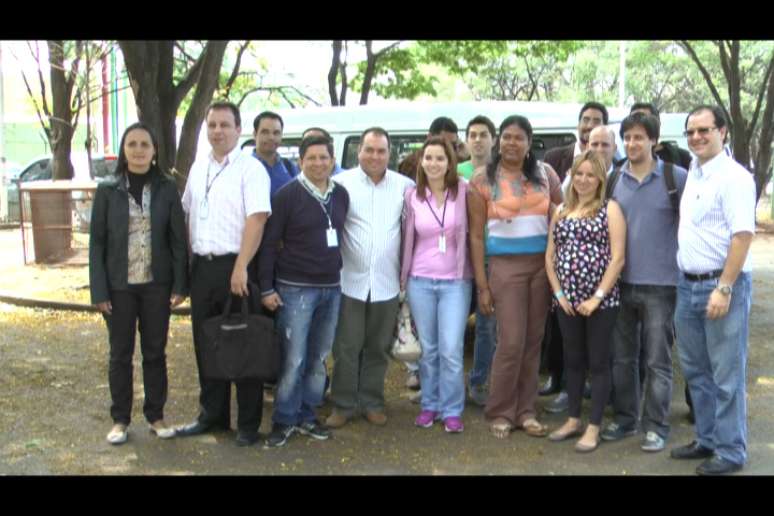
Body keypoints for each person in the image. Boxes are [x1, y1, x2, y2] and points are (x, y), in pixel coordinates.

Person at [176, 102, 271, 447]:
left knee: (243, 343)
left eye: (225, 125)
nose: (217, 131)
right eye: (212, 124)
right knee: (207, 345)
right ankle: (212, 415)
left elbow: (257, 218)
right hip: (203, 268)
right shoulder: (199, 167)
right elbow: (186, 214)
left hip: (237, 267)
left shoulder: (251, 169)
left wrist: (241, 266)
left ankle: (247, 424)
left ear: (238, 129)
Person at [89, 122, 188, 445]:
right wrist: (99, 291)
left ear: (154, 150)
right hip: (119, 286)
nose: (138, 150)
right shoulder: (108, 189)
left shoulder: (167, 187)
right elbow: (97, 243)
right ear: (124, 150)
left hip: (156, 285)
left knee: (155, 353)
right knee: (120, 354)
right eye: (132, 144)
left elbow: (177, 239)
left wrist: (179, 285)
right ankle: (119, 420)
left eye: (145, 144)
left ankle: (156, 416)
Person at [670, 105, 755, 475]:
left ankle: (731, 451)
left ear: (723, 131)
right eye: (691, 132)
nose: (696, 137)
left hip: (721, 287)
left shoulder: (735, 177)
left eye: (704, 130)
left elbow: (743, 236)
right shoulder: (695, 171)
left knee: (726, 375)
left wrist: (724, 287)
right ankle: (707, 439)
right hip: (687, 287)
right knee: (695, 371)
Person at [598, 112, 688, 453]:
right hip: (620, 283)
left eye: (639, 137)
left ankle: (656, 427)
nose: (633, 143)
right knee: (621, 359)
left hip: (662, 286)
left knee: (657, 361)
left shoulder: (674, 177)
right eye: (628, 137)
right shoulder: (614, 179)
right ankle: (625, 419)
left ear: (654, 140)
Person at [470, 115, 562, 439]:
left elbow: (562, 215)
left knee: (534, 341)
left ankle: (526, 411)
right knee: (510, 341)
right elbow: (476, 236)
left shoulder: (546, 174)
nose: (511, 142)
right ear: (498, 141)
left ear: (528, 141)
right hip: (504, 267)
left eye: (518, 137)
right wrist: (482, 285)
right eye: (506, 136)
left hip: (541, 266)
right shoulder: (482, 180)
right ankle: (500, 410)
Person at [258, 136, 349, 448]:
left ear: (332, 160)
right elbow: (269, 244)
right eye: (311, 158)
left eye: (324, 158)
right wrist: (267, 287)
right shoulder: (286, 196)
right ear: (300, 161)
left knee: (319, 358)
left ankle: (308, 415)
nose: (318, 163)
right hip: (295, 289)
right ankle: (284, 418)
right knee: (294, 359)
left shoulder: (341, 195)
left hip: (331, 288)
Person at [325, 128, 414, 428]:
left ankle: (372, 402)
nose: (375, 156)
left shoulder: (405, 187)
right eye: (369, 150)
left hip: (387, 285)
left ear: (390, 154)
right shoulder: (339, 184)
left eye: (381, 151)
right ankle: (343, 404)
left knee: (378, 348)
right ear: (359, 151)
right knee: (347, 347)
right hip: (349, 281)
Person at [400, 136, 489, 433]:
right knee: (429, 349)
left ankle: (452, 409)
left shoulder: (464, 191)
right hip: (420, 280)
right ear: (421, 162)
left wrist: (480, 280)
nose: (434, 164)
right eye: (429, 158)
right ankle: (430, 404)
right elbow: (405, 239)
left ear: (450, 163)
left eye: (440, 158)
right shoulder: (413, 195)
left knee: (451, 348)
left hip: (455, 282)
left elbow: (477, 234)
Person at [545, 150, 626, 452]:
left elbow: (618, 259)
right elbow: (549, 257)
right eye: (579, 173)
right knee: (573, 361)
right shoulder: (562, 209)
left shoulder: (610, 209)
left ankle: (594, 426)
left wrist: (597, 297)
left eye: (591, 174)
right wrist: (559, 294)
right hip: (566, 302)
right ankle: (573, 419)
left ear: (600, 179)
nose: (583, 179)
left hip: (600, 302)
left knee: (599, 362)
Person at [457, 115, 498, 406]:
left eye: (484, 134)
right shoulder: (455, 171)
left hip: (491, 260)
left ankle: (479, 382)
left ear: (493, 139)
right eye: (473, 134)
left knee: (487, 326)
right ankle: (446, 385)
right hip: (458, 261)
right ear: (466, 139)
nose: (478, 139)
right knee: (452, 326)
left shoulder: (502, 172)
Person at [543, 101, 609, 182]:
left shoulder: (614, 164)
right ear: (578, 125)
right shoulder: (553, 158)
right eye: (586, 120)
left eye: (596, 121)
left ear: (605, 128)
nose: (590, 126)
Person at [629, 102, 692, 170]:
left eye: (645, 121)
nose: (637, 127)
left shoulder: (681, 158)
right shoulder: (622, 168)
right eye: (633, 122)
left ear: (658, 124)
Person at [398, 116, 464, 180]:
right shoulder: (411, 163)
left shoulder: (458, 160)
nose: (448, 148)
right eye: (443, 143)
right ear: (429, 137)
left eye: (453, 144)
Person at [252, 111, 299, 196]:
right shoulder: (245, 167)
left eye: (276, 133)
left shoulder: (289, 167)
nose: (271, 137)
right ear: (255, 134)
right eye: (265, 132)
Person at [561, 126, 617, 194]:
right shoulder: (572, 179)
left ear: (614, 149)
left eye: (605, 145)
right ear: (587, 148)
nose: (599, 149)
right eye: (595, 144)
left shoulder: (623, 179)